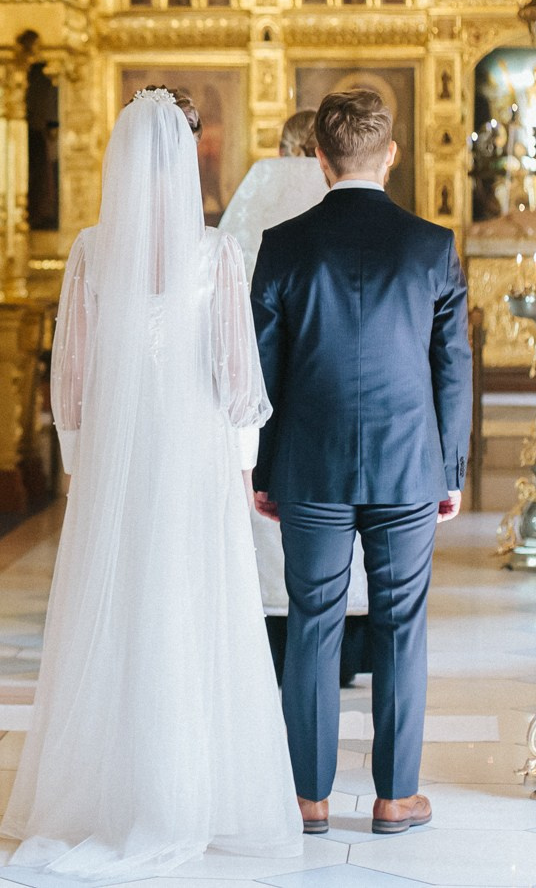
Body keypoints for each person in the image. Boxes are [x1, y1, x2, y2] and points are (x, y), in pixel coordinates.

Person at [3, 87, 300, 880]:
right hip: (198, 458)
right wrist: (242, 472)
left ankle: (116, 789)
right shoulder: (217, 254)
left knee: (124, 607)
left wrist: (77, 467)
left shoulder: (92, 252)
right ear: (185, 161)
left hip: (115, 461)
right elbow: (239, 378)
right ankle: (192, 794)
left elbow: (71, 377)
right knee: (195, 607)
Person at [250, 88, 470, 838]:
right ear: (392, 154)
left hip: (308, 464)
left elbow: (262, 372)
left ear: (319, 158)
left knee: (312, 620)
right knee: (401, 623)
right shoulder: (432, 245)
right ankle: (394, 797)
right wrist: (452, 468)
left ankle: (308, 797)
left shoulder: (283, 244)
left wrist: (264, 470)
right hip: (410, 463)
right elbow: (453, 368)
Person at [220, 112, 371, 685]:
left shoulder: (256, 194)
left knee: (270, 524)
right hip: (344, 395)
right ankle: (347, 654)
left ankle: (277, 653)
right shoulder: (344, 199)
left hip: (266, 394)